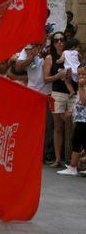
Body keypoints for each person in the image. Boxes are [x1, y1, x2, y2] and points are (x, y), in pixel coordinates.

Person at [43, 32, 78, 168]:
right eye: (56, 40)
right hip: (57, 93)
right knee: (58, 127)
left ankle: (71, 158)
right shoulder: (50, 58)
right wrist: (58, 75)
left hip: (72, 94)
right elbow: (45, 79)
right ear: (52, 43)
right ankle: (58, 159)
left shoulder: (71, 55)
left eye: (62, 40)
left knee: (75, 126)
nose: (59, 42)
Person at [58, 65, 86, 176]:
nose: (81, 76)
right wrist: (72, 112)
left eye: (83, 74)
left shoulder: (82, 86)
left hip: (84, 119)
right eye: (79, 74)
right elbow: (79, 102)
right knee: (80, 141)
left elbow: (84, 101)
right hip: (81, 118)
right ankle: (73, 167)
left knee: (77, 141)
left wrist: (80, 86)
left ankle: (73, 167)